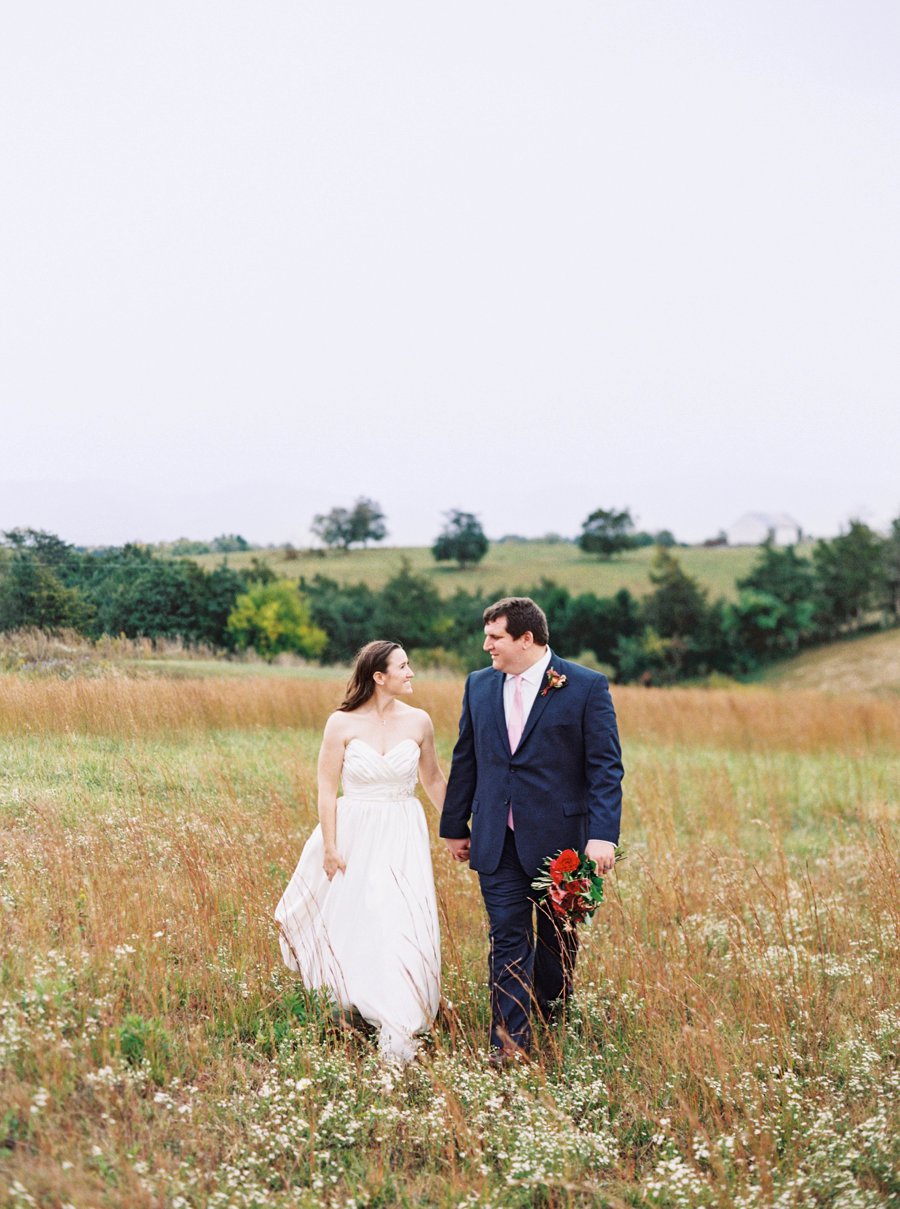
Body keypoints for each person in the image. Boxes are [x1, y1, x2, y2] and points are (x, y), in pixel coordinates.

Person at [440, 597, 623, 1061]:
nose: (486, 646)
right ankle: (509, 1044)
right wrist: (454, 826)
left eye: (495, 637)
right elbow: (467, 758)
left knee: (559, 938)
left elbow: (605, 768)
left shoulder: (585, 686)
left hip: (562, 841)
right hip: (496, 838)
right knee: (507, 937)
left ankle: (550, 1013)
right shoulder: (478, 686)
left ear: (526, 639)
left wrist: (602, 836)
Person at [275, 641, 445, 1064]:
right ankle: (351, 996)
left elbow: (435, 780)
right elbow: (326, 789)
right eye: (403, 666)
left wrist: (462, 830)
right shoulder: (341, 723)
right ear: (378, 676)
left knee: (400, 917)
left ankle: (398, 1013)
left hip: (403, 830)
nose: (411, 673)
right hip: (354, 831)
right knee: (359, 913)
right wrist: (330, 847)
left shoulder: (420, 722)